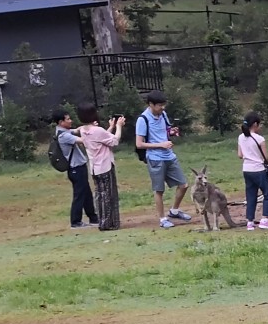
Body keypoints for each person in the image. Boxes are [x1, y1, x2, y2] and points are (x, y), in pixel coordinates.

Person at [134, 90, 192, 227]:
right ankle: (162, 219)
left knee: (184, 185)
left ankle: (174, 210)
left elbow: (165, 131)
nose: (162, 108)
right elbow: (139, 144)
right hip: (155, 158)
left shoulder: (163, 115)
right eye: (159, 105)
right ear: (151, 104)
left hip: (169, 155)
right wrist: (161, 145)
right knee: (159, 190)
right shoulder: (143, 120)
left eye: (163, 105)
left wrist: (171, 132)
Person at [77, 104, 124, 230]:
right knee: (109, 195)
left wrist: (111, 127)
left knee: (99, 194)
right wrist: (118, 127)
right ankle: (109, 223)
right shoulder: (97, 130)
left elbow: (101, 138)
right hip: (105, 166)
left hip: (94, 168)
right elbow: (114, 141)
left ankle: (102, 220)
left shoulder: (83, 130)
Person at [53, 107, 96, 231]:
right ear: (61, 122)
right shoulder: (64, 136)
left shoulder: (63, 132)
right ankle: (75, 221)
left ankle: (93, 217)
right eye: (68, 119)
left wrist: (89, 126)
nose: (71, 121)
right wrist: (93, 133)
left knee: (86, 193)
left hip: (79, 168)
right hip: (75, 169)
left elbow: (77, 130)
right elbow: (83, 140)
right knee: (79, 195)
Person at [237, 113, 268, 230]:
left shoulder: (241, 137)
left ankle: (250, 222)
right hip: (258, 169)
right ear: (255, 124)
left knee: (251, 195)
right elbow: (266, 158)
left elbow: (240, 155)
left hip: (246, 170)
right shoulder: (260, 139)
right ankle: (265, 219)